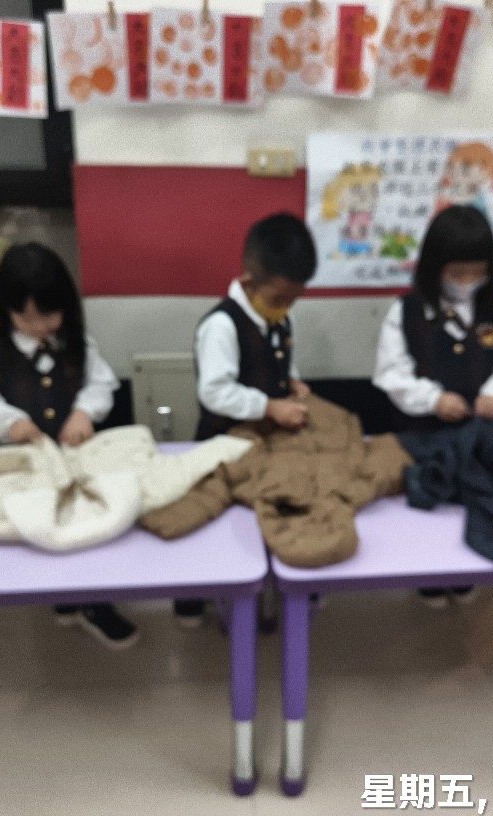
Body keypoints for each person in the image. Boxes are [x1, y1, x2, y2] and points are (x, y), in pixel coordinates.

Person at [0, 242, 138, 650]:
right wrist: (10, 421)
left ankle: (94, 601)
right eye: (26, 317)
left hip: (76, 456)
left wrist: (84, 412)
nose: (40, 326)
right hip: (27, 463)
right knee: (43, 525)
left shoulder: (79, 344)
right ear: (7, 309)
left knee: (86, 526)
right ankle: (61, 595)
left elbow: (101, 384)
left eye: (49, 315)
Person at [373, 204, 493, 607]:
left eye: (476, 273)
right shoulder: (406, 311)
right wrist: (431, 399)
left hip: (479, 433)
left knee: (476, 501)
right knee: (431, 511)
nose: (466, 282)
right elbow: (391, 373)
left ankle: (466, 570)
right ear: (434, 267)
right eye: (457, 273)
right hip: (421, 434)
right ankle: (429, 574)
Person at [181, 212, 318, 626]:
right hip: (223, 440)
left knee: (265, 520)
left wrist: (291, 381)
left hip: (264, 444)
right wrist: (269, 406)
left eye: (293, 300)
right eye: (279, 298)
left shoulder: (278, 316)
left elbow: (276, 360)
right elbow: (215, 392)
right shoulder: (221, 326)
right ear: (247, 282)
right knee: (215, 528)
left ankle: (271, 592)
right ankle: (193, 600)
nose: (285, 307)